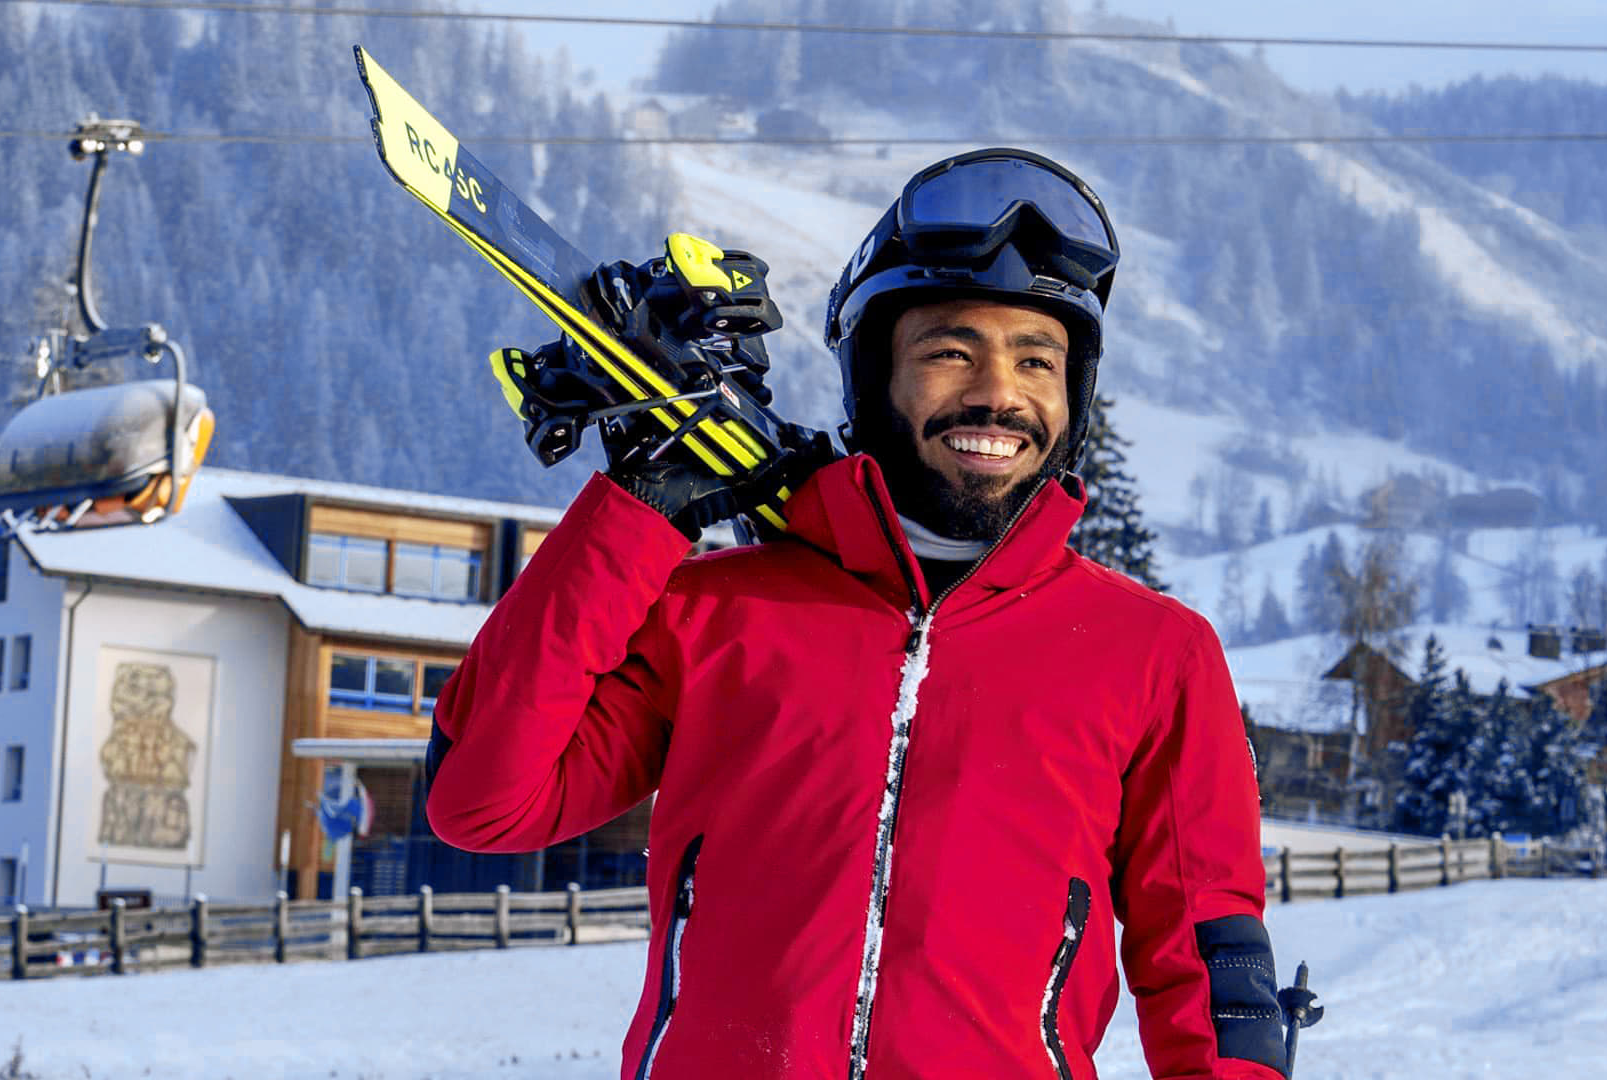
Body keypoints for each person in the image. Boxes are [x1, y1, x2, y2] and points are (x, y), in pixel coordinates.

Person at [425, 147, 1288, 1080]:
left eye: (1037, 359)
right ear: (875, 377)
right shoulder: (718, 611)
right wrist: (635, 514)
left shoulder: (1154, 653)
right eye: (950, 351)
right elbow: (481, 801)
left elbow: (1210, 956)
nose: (999, 393)